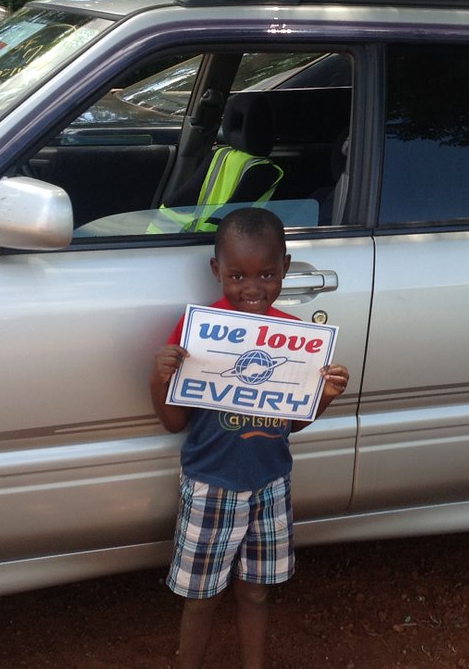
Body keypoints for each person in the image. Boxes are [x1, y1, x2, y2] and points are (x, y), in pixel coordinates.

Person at [150, 207, 350, 669]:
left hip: (271, 483)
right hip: (210, 484)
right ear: (216, 270)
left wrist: (323, 397)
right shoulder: (195, 332)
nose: (252, 287)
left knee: (256, 593)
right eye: (237, 274)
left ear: (285, 267)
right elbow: (173, 423)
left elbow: (292, 424)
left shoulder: (293, 338)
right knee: (200, 599)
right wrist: (157, 379)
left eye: (267, 274)